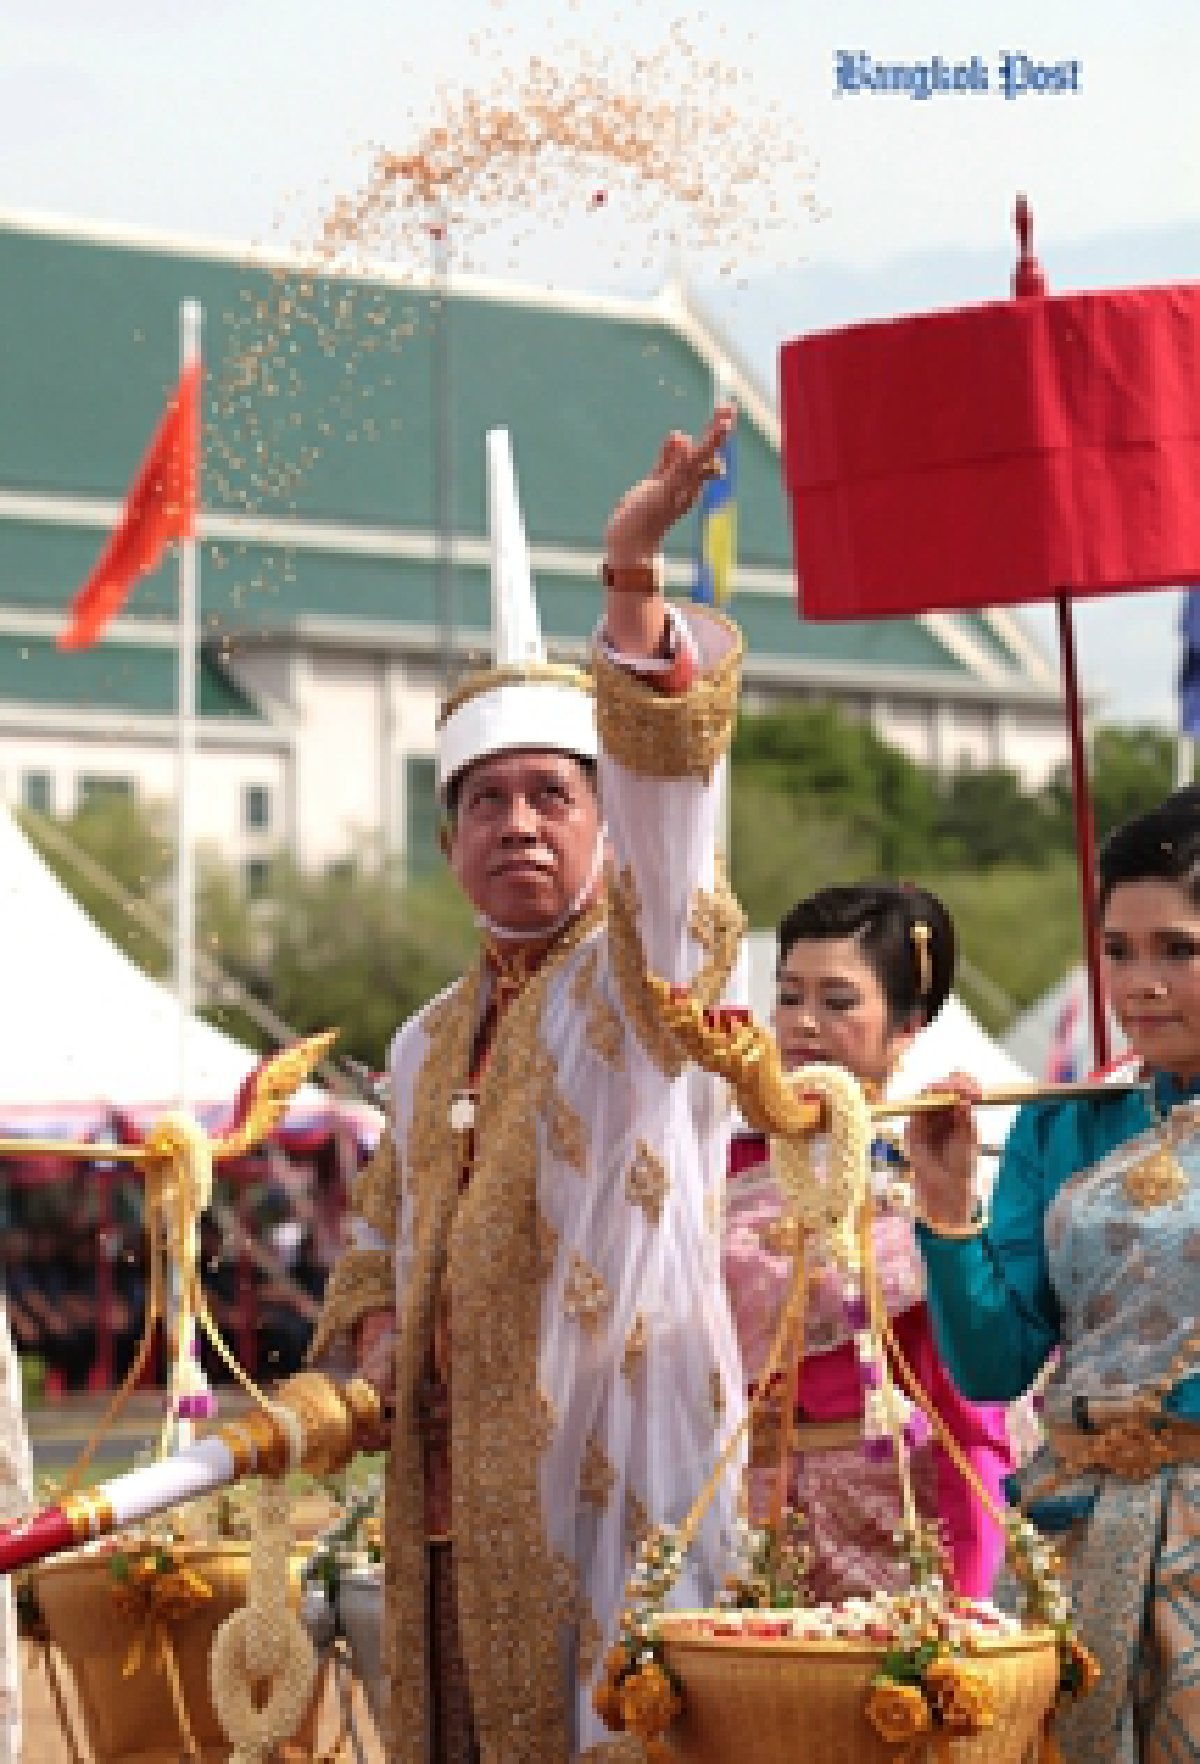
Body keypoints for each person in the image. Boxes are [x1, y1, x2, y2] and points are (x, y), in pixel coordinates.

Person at [309, 411, 748, 1762]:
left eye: (551, 796)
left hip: (608, 1480)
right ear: (447, 841)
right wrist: (373, 1334)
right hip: (441, 1503)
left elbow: (678, 862)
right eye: (485, 801)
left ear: (604, 823)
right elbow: (380, 1224)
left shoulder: (632, 979)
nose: (517, 823)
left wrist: (628, 586)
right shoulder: (424, 1035)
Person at [905, 786, 1200, 1762]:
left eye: (1179, 951)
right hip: (1071, 1537)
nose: (1141, 984)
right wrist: (948, 1211)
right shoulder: (1065, 1114)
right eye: (1118, 950)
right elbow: (994, 1364)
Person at [722, 884, 1011, 1602]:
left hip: (891, 1516)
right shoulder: (717, 1163)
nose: (803, 1024)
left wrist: (971, 1584)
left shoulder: (934, 1166)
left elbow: (964, 1410)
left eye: (838, 1001)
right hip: (733, 1511)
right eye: (789, 996)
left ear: (909, 1022)